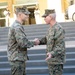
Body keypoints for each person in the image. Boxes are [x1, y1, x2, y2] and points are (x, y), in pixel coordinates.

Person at [35, 9, 66, 75]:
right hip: (51, 60)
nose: (44, 19)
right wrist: (39, 41)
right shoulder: (50, 28)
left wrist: (52, 53)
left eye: (45, 17)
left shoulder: (58, 29)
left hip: (57, 60)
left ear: (50, 17)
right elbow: (46, 39)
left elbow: (60, 46)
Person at [7, 6, 36, 75]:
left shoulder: (17, 25)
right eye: (26, 14)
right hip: (17, 59)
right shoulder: (17, 27)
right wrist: (34, 42)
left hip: (18, 58)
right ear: (19, 15)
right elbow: (22, 43)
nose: (28, 16)